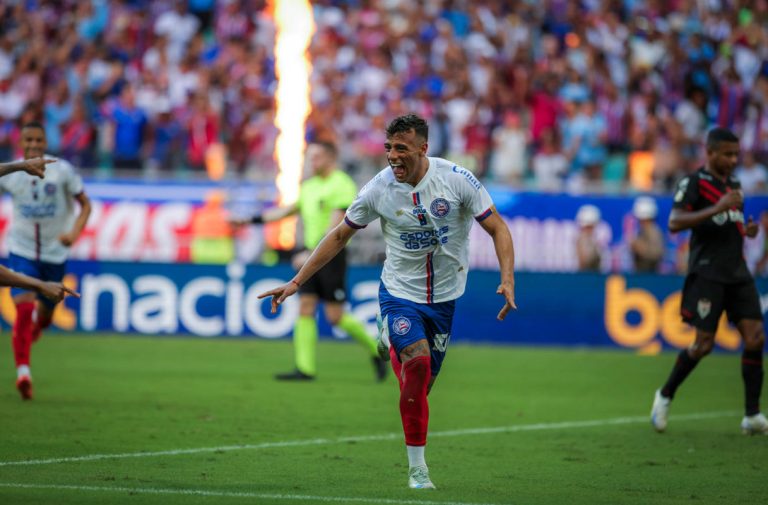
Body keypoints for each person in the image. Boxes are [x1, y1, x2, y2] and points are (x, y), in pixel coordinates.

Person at [258, 114, 516, 489]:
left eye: (402, 149)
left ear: (423, 148)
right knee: (416, 363)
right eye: (389, 148)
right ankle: (418, 469)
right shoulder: (378, 188)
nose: (393, 156)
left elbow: (497, 227)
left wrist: (507, 278)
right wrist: (297, 281)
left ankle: (388, 341)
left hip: (445, 297)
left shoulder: (457, 180)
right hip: (399, 292)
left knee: (421, 386)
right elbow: (338, 235)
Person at [233, 140, 386, 382]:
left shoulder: (341, 184)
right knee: (305, 308)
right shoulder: (309, 186)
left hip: (330, 255)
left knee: (335, 316)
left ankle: (376, 350)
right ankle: (304, 368)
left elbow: (336, 227)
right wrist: (251, 220)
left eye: (316, 157)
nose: (311, 162)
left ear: (330, 158)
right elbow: (286, 211)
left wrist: (311, 252)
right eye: (309, 157)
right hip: (308, 253)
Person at [650, 128, 767, 435]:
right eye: (727, 154)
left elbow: (729, 223)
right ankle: (664, 395)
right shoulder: (694, 183)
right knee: (703, 345)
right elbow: (674, 222)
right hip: (708, 272)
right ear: (710, 153)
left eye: (735, 154)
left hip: (738, 272)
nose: (732, 160)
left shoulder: (734, 185)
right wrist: (717, 207)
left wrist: (747, 230)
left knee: (755, 338)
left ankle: (752, 415)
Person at [0, 121, 91, 400]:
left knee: (47, 313)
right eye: (29, 141)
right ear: (21, 143)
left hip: (55, 253)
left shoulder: (62, 171)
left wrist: (74, 232)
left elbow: (85, 204)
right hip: (22, 249)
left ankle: (41, 324)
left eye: (38, 141)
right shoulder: (11, 173)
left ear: (45, 142)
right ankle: (23, 373)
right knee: (24, 309)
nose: (34, 146)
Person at [629, 196, 664, 273]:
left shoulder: (654, 232)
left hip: (651, 275)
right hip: (642, 272)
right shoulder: (642, 231)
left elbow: (656, 254)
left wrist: (640, 247)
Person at [575, 204, 602, 272]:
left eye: (589, 227)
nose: (587, 231)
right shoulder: (580, 240)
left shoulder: (598, 241)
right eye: (586, 228)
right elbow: (584, 263)